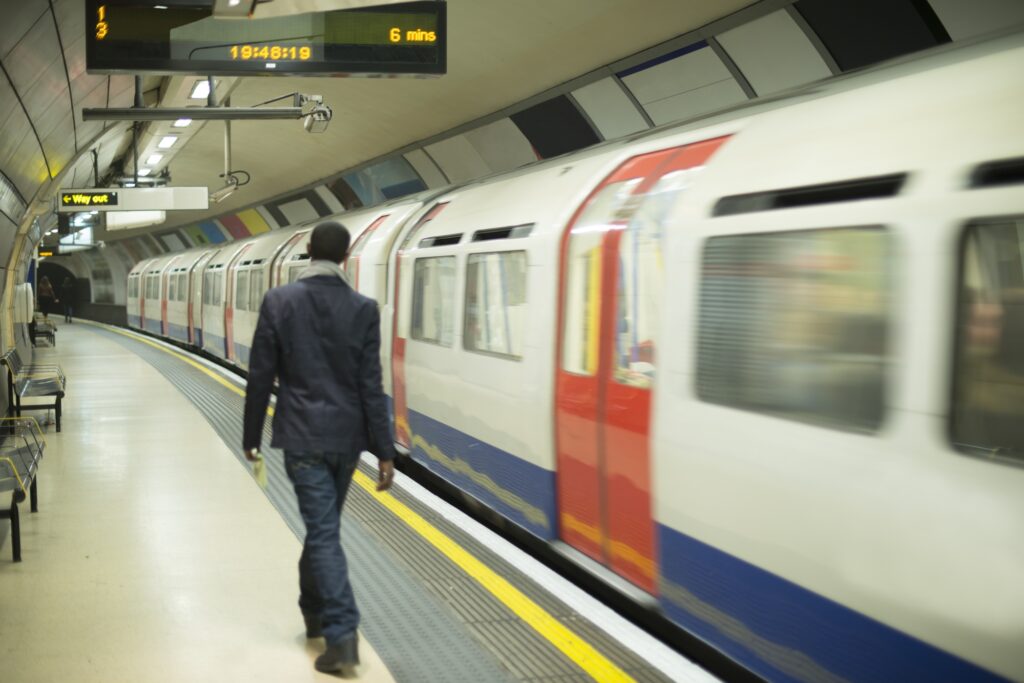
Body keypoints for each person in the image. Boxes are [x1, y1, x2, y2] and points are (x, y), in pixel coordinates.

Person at [243, 221, 396, 675]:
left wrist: (250, 437)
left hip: (302, 437)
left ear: (308, 251)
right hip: (347, 441)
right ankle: (313, 611)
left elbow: (259, 375)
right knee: (324, 526)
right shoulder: (363, 309)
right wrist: (385, 451)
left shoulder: (279, 301)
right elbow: (372, 386)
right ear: (346, 257)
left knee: (323, 529)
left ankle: (342, 635)